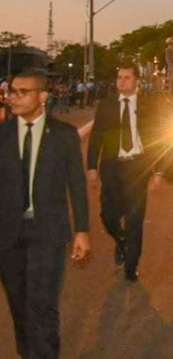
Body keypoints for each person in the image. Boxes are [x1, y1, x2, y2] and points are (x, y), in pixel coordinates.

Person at [0, 68, 89, 359]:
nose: (13, 97)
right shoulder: (1, 135)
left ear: (43, 97)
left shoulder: (63, 135)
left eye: (22, 92)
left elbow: (76, 184)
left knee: (43, 305)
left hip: (48, 233)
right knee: (19, 306)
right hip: (8, 234)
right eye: (11, 91)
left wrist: (82, 230)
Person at [87, 62, 161, 281]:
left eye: (127, 77)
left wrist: (160, 171)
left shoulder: (148, 105)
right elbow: (96, 137)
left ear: (137, 81)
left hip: (138, 166)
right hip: (112, 167)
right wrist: (91, 166)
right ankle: (122, 241)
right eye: (119, 77)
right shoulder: (106, 105)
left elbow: (159, 138)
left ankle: (131, 264)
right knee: (108, 215)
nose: (122, 81)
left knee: (135, 218)